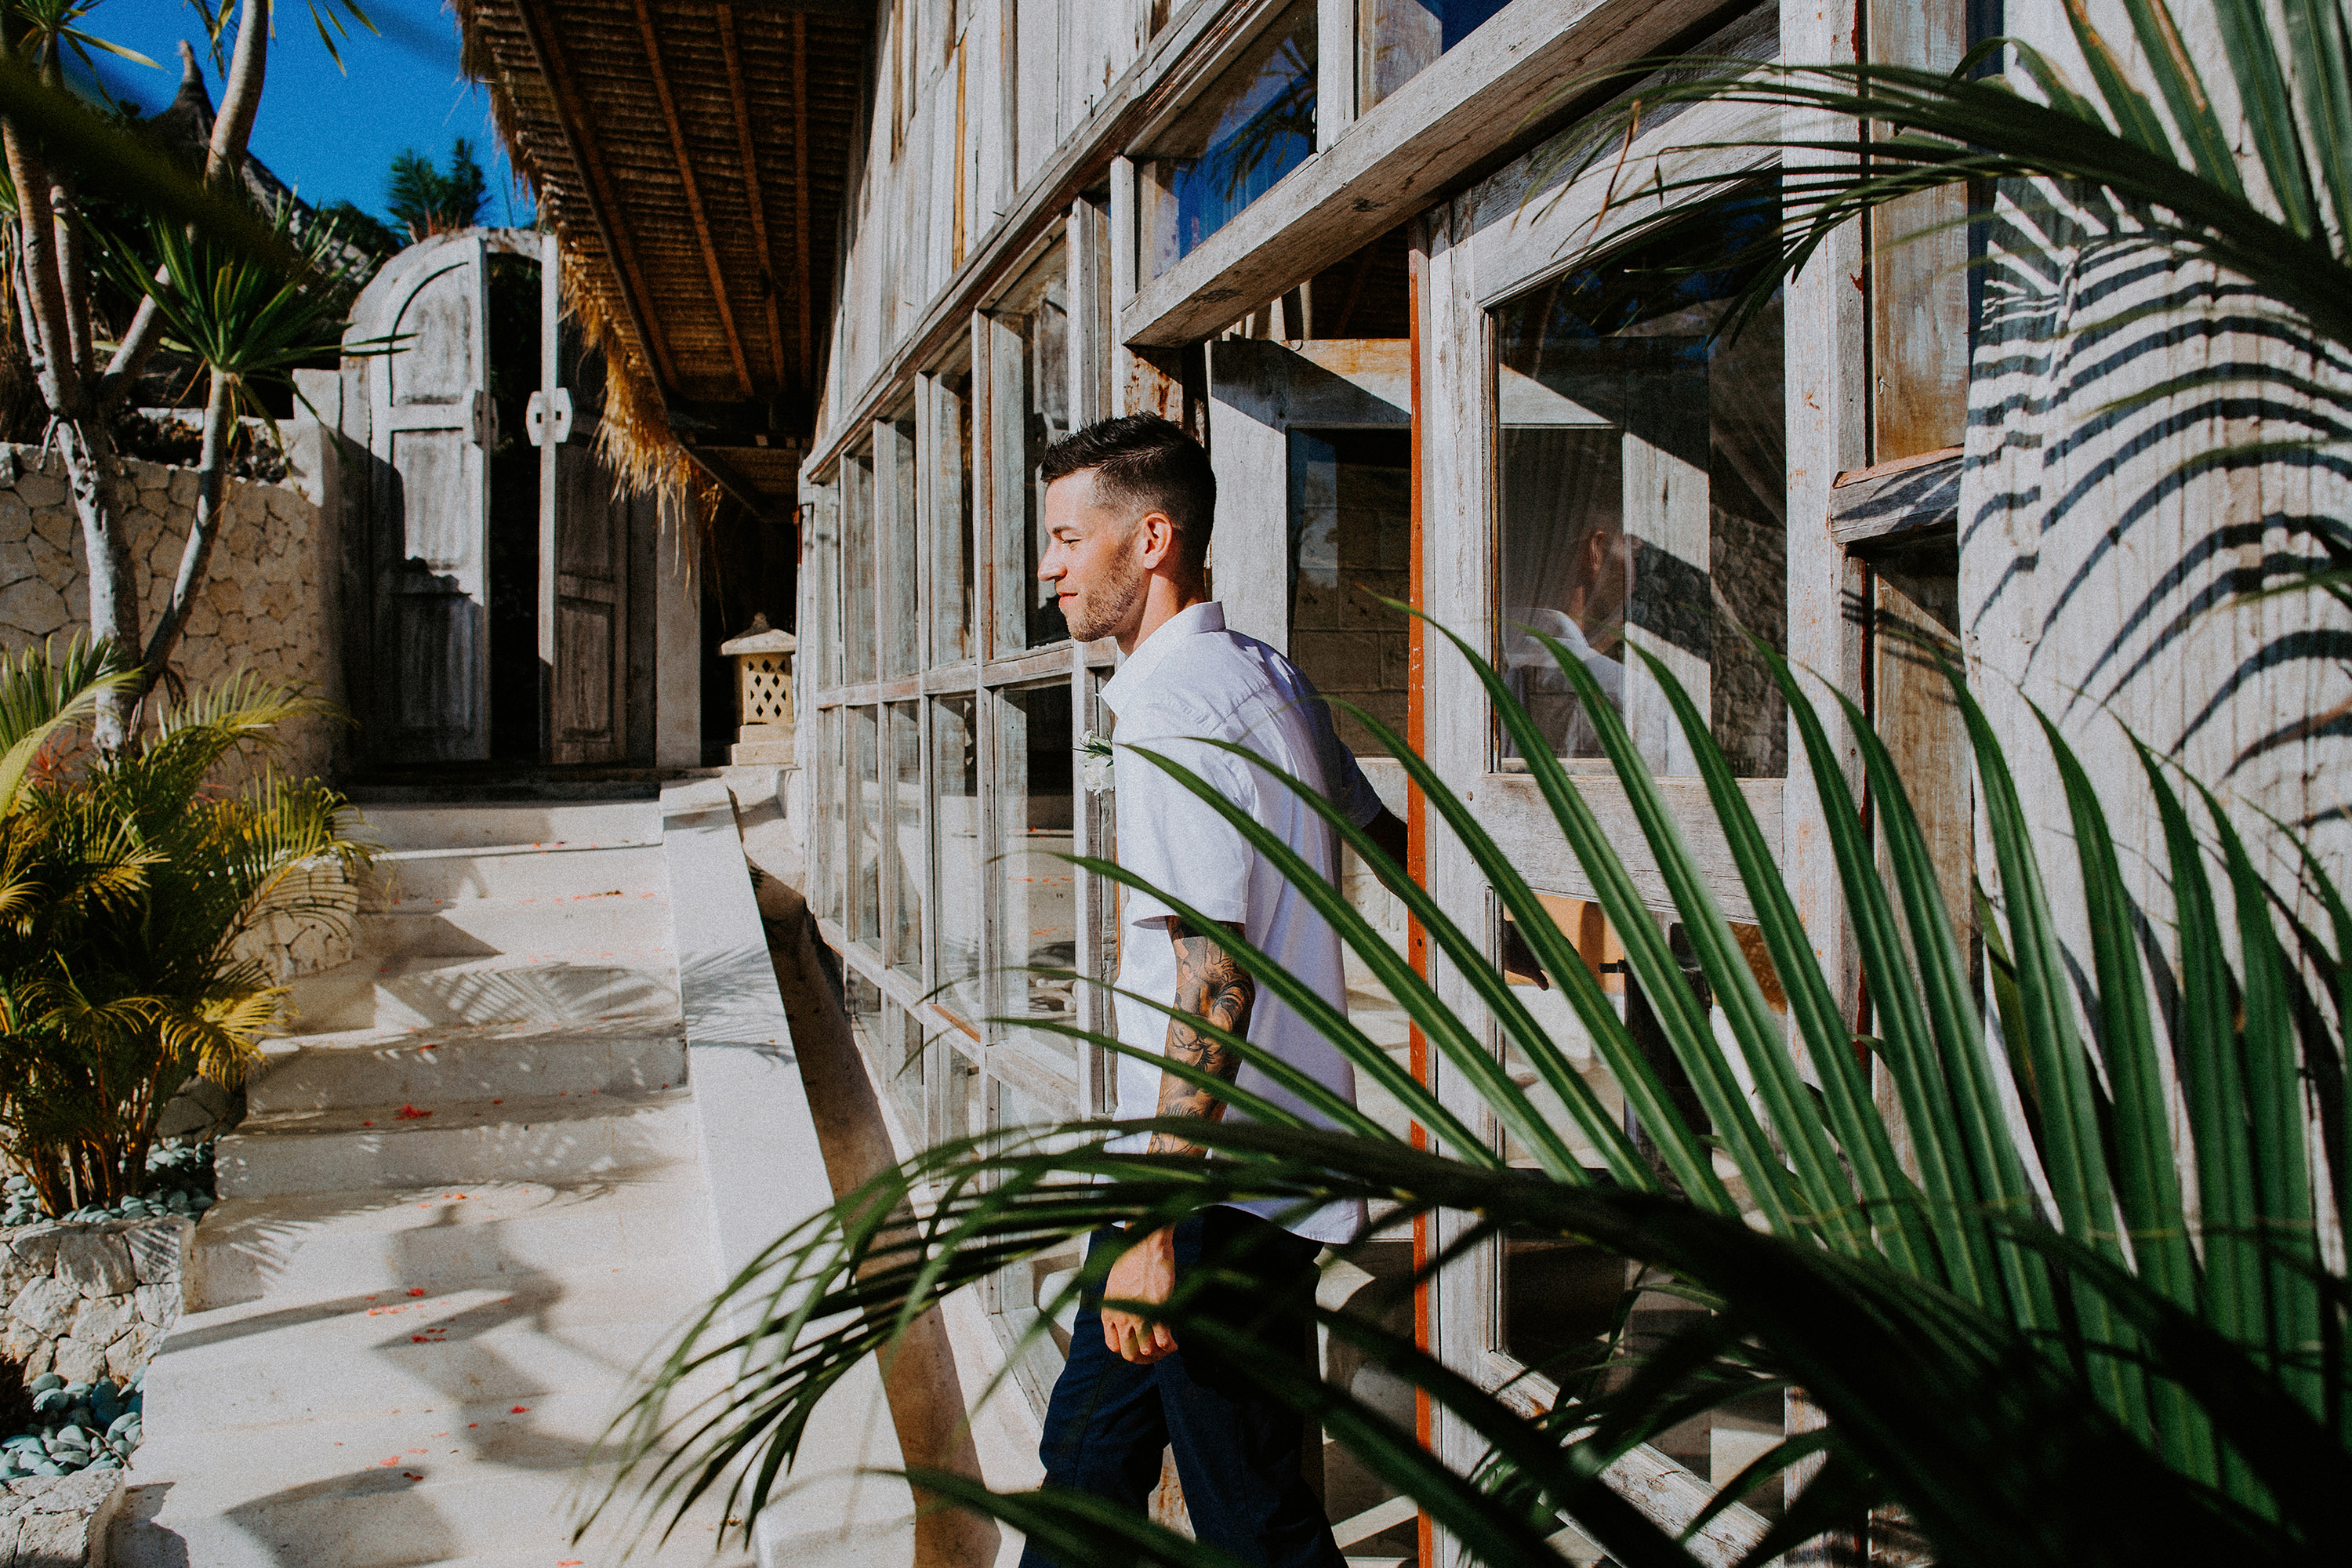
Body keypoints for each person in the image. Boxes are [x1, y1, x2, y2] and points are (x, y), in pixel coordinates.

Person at [1023, 414, 1408, 1568]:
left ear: (1150, 541)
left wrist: (1154, 1229)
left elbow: (1213, 981)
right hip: (1226, 1170)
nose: (1048, 569)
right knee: (1087, 1466)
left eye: (1066, 540)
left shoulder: (1176, 710)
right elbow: (1382, 839)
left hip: (1209, 1195)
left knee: (1254, 1524)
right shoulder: (1265, 674)